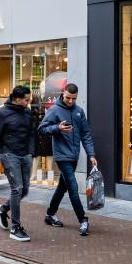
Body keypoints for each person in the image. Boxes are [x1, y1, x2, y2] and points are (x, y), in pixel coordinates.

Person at [37, 83, 98, 236]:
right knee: (73, 187)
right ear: (62, 93)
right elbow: (41, 129)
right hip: (62, 156)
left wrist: (91, 155)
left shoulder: (79, 111)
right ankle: (83, 220)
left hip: (74, 156)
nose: (70, 101)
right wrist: (57, 128)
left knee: (62, 187)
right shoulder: (54, 110)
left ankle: (50, 214)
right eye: (68, 98)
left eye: (74, 99)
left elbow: (86, 134)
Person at [0, 86, 35, 242]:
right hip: (8, 154)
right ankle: (15, 228)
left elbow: (31, 133)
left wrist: (31, 152)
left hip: (25, 155)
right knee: (17, 189)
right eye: (26, 100)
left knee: (25, 190)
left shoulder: (28, 112)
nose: (29, 103)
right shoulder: (1, 114)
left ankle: (2, 209)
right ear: (17, 99)